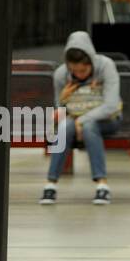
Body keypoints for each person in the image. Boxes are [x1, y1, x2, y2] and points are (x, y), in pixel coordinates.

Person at [42, 31, 121, 206]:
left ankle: (102, 185)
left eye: (83, 70)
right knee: (63, 128)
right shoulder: (61, 74)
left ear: (90, 62)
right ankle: (50, 184)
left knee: (89, 126)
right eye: (74, 70)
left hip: (107, 120)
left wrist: (81, 120)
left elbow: (111, 105)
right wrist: (62, 102)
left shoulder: (106, 66)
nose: (79, 75)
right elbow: (60, 109)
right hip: (74, 117)